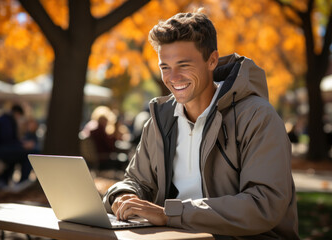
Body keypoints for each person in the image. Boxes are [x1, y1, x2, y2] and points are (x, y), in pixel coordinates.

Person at [103, 10, 299, 239]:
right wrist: (123, 197)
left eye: (183, 65)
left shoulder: (257, 117)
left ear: (212, 60)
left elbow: (264, 204)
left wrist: (171, 214)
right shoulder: (160, 121)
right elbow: (136, 181)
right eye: (165, 67)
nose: (173, 77)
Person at [0, 104, 32, 188]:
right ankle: (23, 182)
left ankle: (7, 181)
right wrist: (22, 146)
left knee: (19, 154)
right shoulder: (6, 121)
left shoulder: (4, 119)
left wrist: (21, 144)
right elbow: (7, 140)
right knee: (28, 155)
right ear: (17, 113)